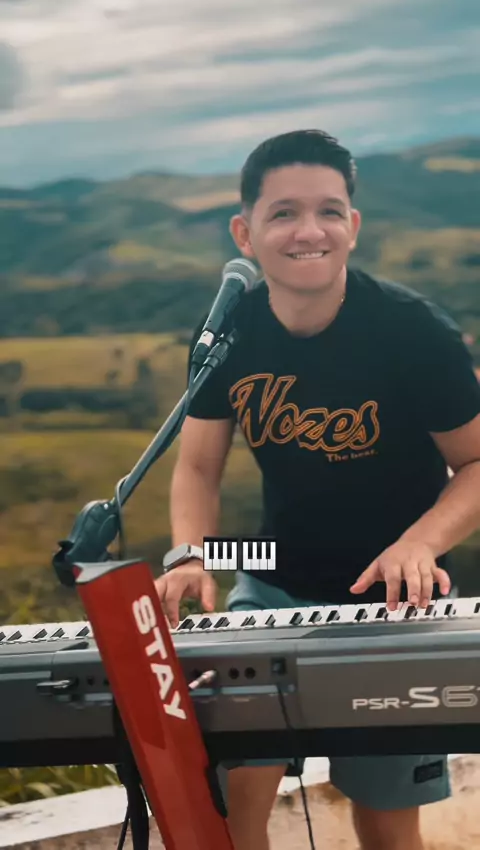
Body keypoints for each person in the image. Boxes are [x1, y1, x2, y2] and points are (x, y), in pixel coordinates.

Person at [155, 129, 480, 850]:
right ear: (245, 233)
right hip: (271, 568)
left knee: (387, 821)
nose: (310, 231)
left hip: (397, 594)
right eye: (284, 213)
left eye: (329, 211)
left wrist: (420, 543)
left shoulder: (413, 331)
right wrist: (189, 553)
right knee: (236, 792)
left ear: (352, 226)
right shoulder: (227, 333)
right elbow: (198, 466)